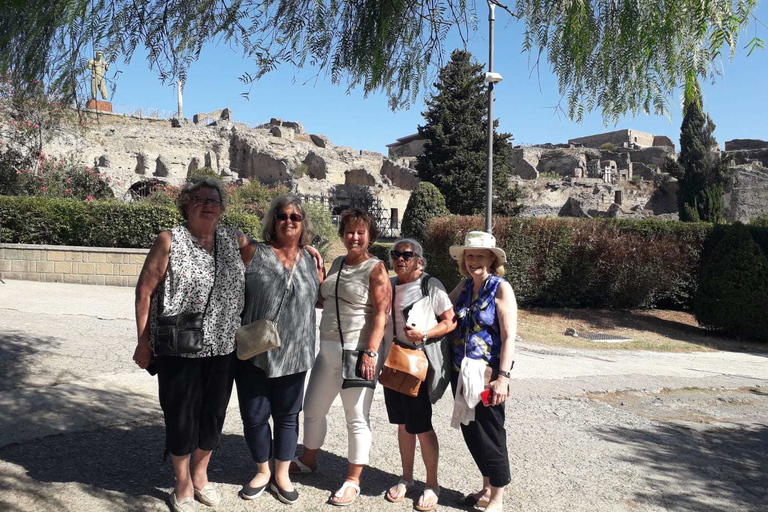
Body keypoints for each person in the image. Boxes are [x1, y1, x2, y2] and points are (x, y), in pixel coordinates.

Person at [133, 178, 249, 512]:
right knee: (181, 416)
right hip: (179, 347)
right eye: (199, 199)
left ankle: (200, 474)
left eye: (213, 200)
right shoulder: (170, 240)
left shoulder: (233, 238)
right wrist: (143, 341)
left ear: (222, 207)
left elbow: (271, 256)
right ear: (186, 204)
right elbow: (145, 292)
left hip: (224, 346)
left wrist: (301, 251)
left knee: (213, 416)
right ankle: (182, 482)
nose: (207, 205)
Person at [290, 208, 391, 507]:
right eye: (349, 231)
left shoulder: (376, 268)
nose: (354, 237)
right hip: (328, 350)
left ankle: (353, 480)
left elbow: (381, 314)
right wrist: (317, 266)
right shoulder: (337, 262)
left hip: (358, 352)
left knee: (356, 418)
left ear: (370, 236)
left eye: (361, 232)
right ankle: (309, 460)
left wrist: (371, 352)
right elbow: (324, 299)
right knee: (312, 409)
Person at [235, 194, 324, 504]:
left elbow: (320, 300)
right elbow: (223, 235)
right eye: (282, 216)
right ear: (273, 221)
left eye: (295, 218)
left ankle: (282, 473)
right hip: (255, 350)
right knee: (255, 415)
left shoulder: (312, 259)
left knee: (288, 416)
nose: (288, 221)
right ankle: (262, 470)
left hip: (296, 351)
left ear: (303, 225)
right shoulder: (253, 251)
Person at [382, 238, 456, 512]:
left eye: (407, 255)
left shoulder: (430, 285)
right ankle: (406, 478)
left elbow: (450, 320)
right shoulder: (389, 284)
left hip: (418, 365)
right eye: (396, 254)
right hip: (394, 361)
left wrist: (425, 334)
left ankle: (432, 484)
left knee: (421, 426)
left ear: (419, 261)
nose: (400, 259)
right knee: (402, 424)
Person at [447, 231, 517, 512]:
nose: (474, 260)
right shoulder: (464, 286)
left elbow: (509, 336)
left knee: (491, 432)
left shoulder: (500, 288)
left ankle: (497, 496)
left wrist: (503, 378)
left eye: (480, 255)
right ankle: (486, 486)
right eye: (470, 255)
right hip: (460, 372)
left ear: (491, 259)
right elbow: (443, 307)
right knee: (471, 430)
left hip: (488, 375)